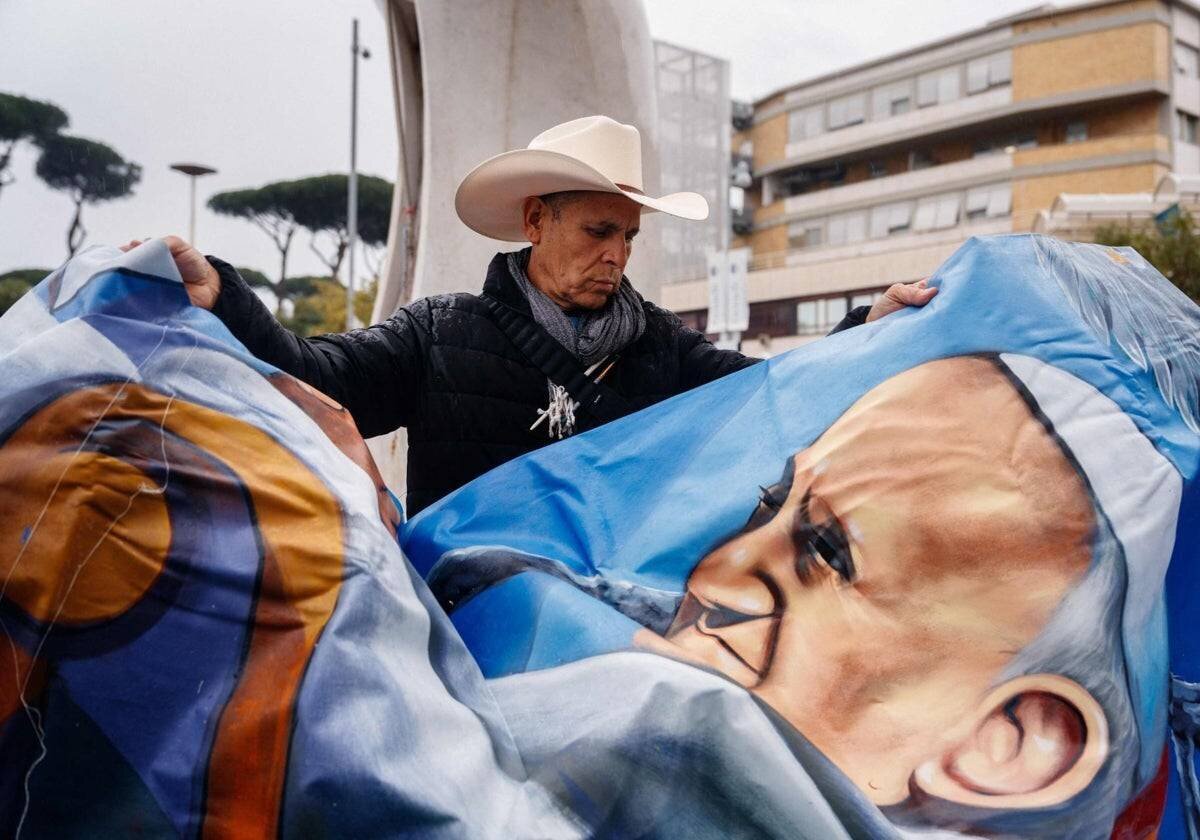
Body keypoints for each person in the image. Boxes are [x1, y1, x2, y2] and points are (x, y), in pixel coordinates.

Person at [428, 353, 1180, 836]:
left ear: (1012, 746)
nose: (712, 575)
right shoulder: (451, 338)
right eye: (765, 505)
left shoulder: (649, 715)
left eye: (827, 553)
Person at [135, 115, 935, 514]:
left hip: (616, 641)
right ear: (535, 224)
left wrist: (864, 330)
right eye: (597, 231)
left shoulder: (665, 347)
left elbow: (772, 393)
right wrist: (224, 299)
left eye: (627, 235)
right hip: (463, 632)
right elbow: (319, 380)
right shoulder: (439, 330)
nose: (616, 254)